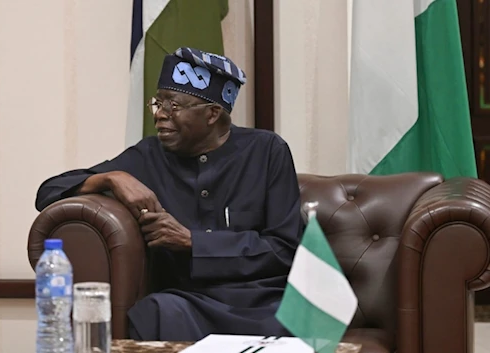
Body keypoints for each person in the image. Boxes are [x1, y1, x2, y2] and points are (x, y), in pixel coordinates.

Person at [35, 47, 304, 341]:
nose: (159, 116)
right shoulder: (149, 155)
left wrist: (193, 242)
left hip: (262, 300)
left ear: (213, 113)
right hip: (188, 302)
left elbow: (284, 249)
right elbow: (49, 192)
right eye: (157, 104)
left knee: (297, 321)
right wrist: (112, 178)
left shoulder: (266, 151)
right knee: (154, 312)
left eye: (173, 106)